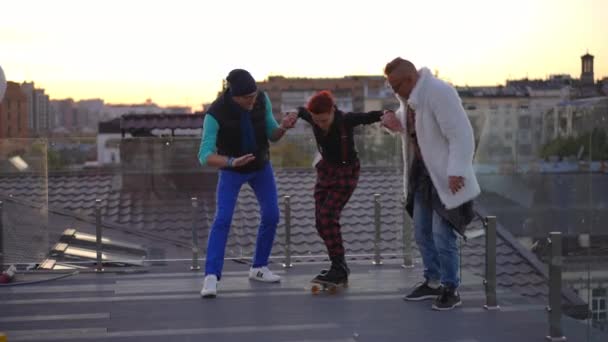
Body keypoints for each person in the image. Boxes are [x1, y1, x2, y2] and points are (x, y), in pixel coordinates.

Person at [382, 58, 479, 310]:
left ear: (410, 79)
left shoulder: (439, 92)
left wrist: (457, 170)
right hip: (424, 173)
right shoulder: (414, 97)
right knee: (421, 230)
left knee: (441, 233)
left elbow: (462, 134)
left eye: (395, 85)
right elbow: (413, 122)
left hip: (446, 174)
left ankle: (451, 287)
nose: (393, 91)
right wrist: (395, 123)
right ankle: (433, 281)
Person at [197, 69, 297, 298]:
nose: (253, 101)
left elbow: (272, 133)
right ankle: (211, 276)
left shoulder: (261, 100)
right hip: (232, 170)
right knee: (222, 219)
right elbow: (204, 155)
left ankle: (259, 267)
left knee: (272, 215)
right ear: (234, 95)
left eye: (254, 95)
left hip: (261, 167)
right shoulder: (215, 113)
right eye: (247, 98)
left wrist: (284, 127)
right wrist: (232, 162)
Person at [296, 90, 384, 286]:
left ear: (333, 111)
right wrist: (292, 115)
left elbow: (369, 116)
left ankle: (338, 267)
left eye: (324, 120)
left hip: (346, 173)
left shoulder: (346, 119)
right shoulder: (313, 117)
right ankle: (339, 266)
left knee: (328, 216)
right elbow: (299, 111)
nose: (320, 125)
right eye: (316, 121)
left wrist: (386, 115)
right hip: (326, 171)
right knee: (320, 221)